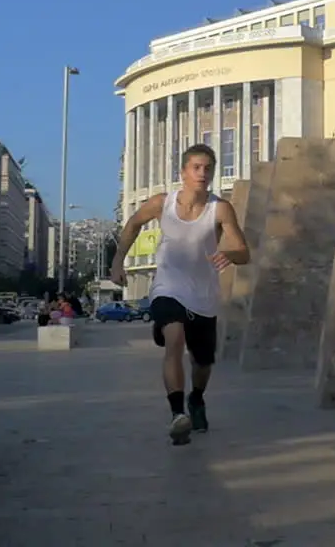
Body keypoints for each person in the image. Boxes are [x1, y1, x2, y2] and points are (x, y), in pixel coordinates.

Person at [110, 143, 249, 446]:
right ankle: (177, 414)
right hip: (168, 287)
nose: (203, 173)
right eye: (196, 167)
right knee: (174, 342)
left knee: (202, 363)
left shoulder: (220, 208)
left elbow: (242, 250)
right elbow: (133, 223)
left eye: (208, 168)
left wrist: (230, 253)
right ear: (183, 173)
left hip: (203, 295)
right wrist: (117, 261)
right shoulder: (163, 203)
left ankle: (196, 399)